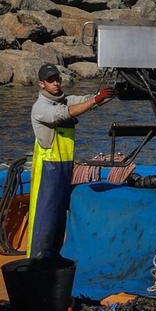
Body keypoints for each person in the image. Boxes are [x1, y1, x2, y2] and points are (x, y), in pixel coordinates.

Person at [27, 64, 114, 259]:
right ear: (41, 84)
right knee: (44, 216)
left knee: (58, 216)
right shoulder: (40, 108)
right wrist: (96, 99)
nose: (56, 83)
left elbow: (88, 101)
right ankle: (36, 259)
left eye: (57, 79)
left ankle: (53, 256)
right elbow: (66, 114)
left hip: (64, 167)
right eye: (51, 80)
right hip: (47, 169)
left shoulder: (64, 100)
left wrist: (109, 94)